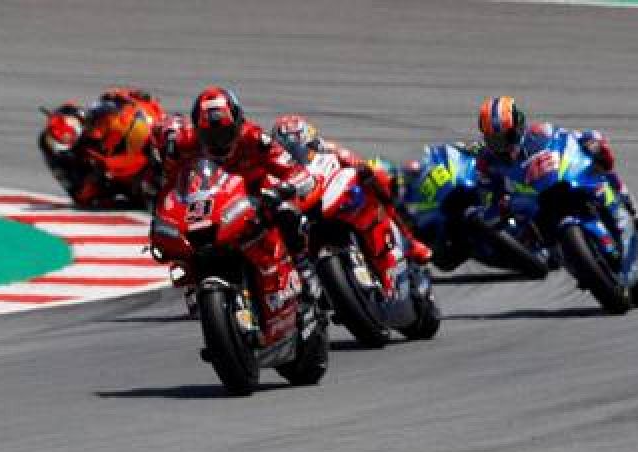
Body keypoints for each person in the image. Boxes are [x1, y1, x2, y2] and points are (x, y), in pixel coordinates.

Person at [154, 86, 322, 310]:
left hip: (257, 197)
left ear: (238, 124)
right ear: (198, 131)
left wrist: (285, 188)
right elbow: (170, 184)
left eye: (224, 133)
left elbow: (293, 170)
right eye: (210, 136)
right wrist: (162, 217)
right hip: (215, 203)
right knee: (184, 232)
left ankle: (304, 267)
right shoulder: (184, 144)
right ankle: (196, 278)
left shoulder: (255, 138)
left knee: (286, 211)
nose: (218, 142)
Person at [270, 114, 432, 295]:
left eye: (297, 143)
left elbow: (355, 162)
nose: (295, 150)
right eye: (288, 147)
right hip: (312, 218)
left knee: (377, 175)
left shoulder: (326, 150)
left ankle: (410, 241)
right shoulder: (278, 173)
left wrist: (363, 169)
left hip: (343, 203)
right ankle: (307, 283)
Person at [474, 95, 638, 230]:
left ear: (518, 127)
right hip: (527, 206)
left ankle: (633, 208)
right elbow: (486, 198)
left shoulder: (539, 132)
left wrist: (590, 142)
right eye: (495, 141)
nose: (502, 145)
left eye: (506, 137)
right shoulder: (486, 161)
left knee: (600, 163)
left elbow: (570, 138)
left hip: (555, 183)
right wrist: (497, 206)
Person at [39, 86, 166, 208]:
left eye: (78, 122)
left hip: (142, 134)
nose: (86, 127)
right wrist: (98, 175)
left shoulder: (94, 115)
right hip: (117, 177)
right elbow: (80, 195)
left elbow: (114, 98)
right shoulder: (65, 158)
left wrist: (129, 95)